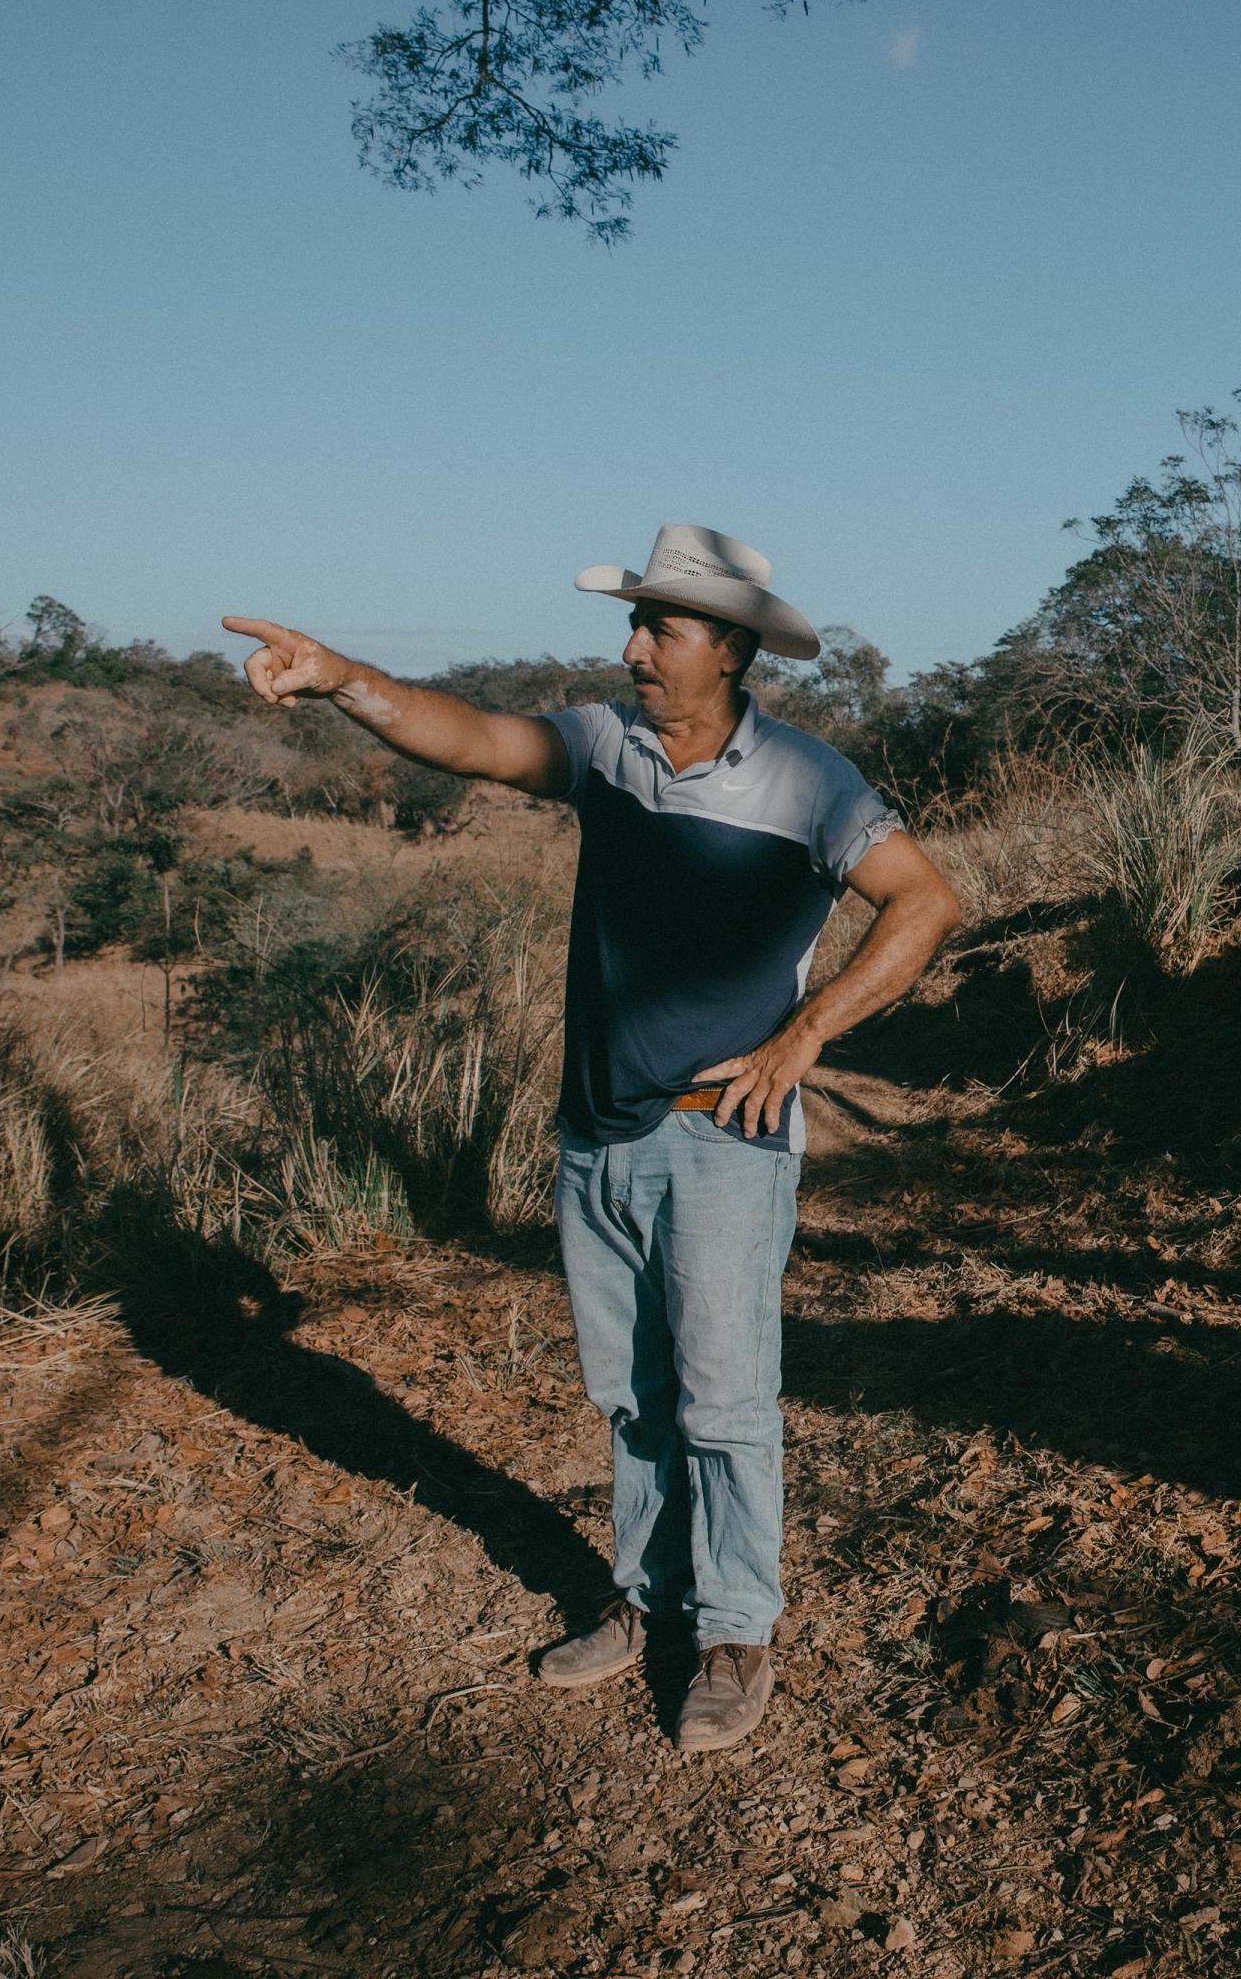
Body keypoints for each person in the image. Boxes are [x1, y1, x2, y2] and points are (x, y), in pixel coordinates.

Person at [223, 524, 960, 1753]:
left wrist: (804, 1037)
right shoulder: (606, 746)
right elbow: (466, 737)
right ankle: (646, 1596)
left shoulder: (810, 780)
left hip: (722, 1138)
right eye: (636, 625)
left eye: (660, 630)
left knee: (724, 1399)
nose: (633, 652)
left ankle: (733, 1632)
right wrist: (340, 675)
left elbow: (927, 900)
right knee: (630, 1395)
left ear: (728, 648)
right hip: (595, 1136)